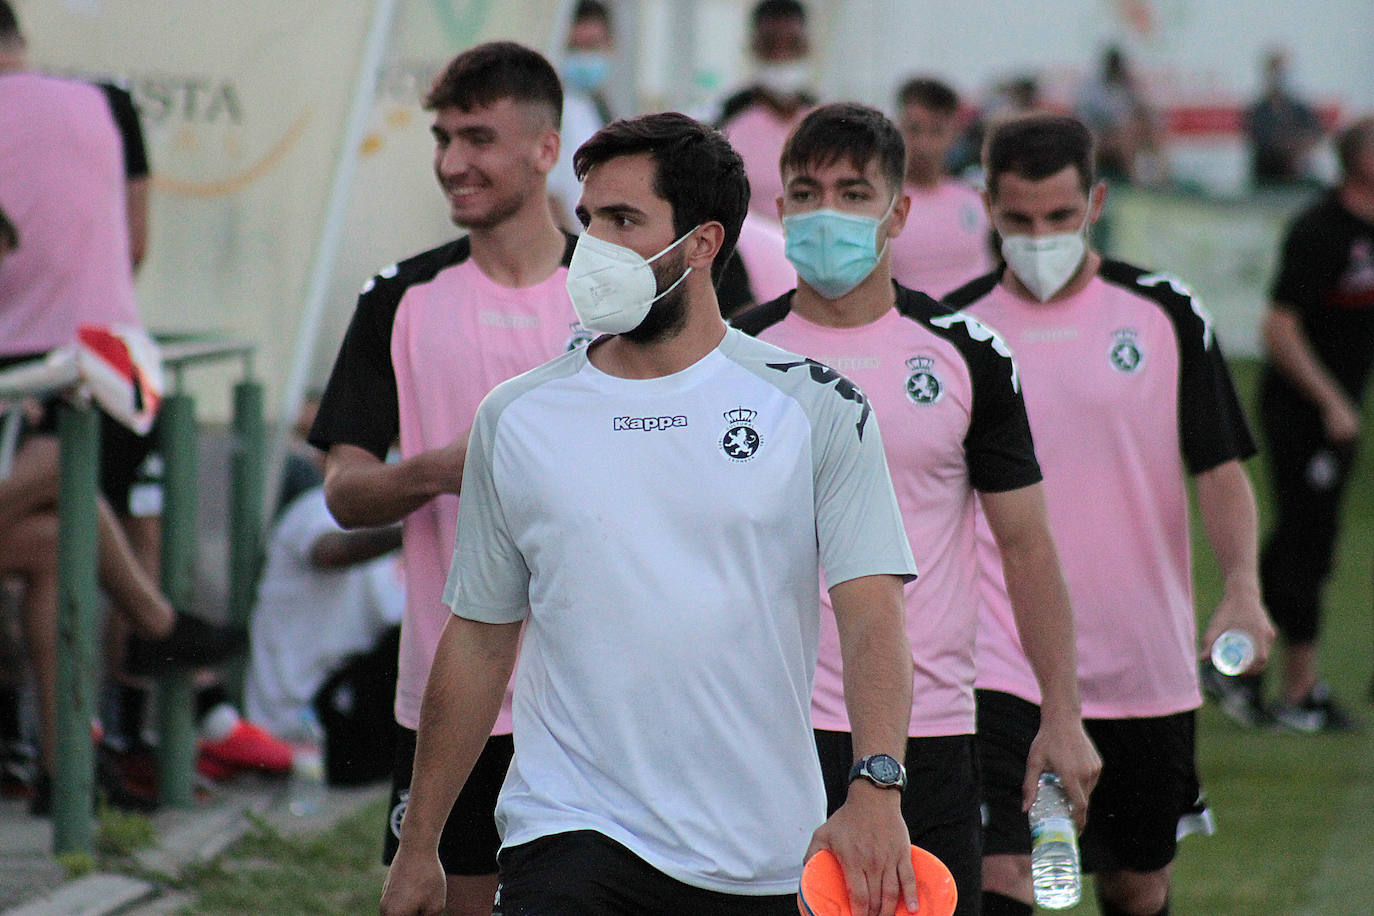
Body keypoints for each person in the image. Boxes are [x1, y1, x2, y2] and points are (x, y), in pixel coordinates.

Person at [381, 112, 920, 916]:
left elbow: (872, 614)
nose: (593, 244)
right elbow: (480, 637)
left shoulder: (813, 406)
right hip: (566, 829)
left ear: (701, 244)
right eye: (589, 217)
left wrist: (877, 785)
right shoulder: (519, 416)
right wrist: (418, 842)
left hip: (759, 850)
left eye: (625, 220)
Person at [732, 101, 1099, 916]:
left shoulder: (967, 354)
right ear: (780, 208)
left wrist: (1062, 714)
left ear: (898, 211)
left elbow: (1028, 546)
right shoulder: (729, 359)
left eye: (854, 193)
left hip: (923, 731)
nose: (828, 213)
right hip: (758, 729)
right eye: (806, 191)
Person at [944, 113, 1275, 916]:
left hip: (1138, 662)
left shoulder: (1164, 314)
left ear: (1094, 202)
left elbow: (1220, 468)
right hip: (996, 663)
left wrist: (1242, 587)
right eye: (1019, 218)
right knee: (1003, 874)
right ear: (989, 205)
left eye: (1058, 217)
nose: (1039, 235)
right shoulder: (952, 330)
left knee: (1135, 883)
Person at [309, 42, 579, 916]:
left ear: (545, 148)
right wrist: (439, 471)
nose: (452, 163)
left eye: (478, 138)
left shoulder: (619, 297)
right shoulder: (401, 298)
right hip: (447, 695)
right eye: (442, 138)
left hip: (595, 698)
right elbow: (345, 491)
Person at [0, 0, 242, 813]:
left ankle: (74, 761)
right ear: (20, 40)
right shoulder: (105, 102)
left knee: (68, 524)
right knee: (78, 517)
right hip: (108, 364)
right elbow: (135, 245)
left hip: (35, 379)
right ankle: (132, 678)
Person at [1208, 117, 1374, 732]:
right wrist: (1331, 400)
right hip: (1304, 411)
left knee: (1311, 541)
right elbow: (1278, 330)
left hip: (1341, 414)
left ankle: (1246, 671)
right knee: (1305, 544)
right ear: (1357, 160)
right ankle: (1286, 686)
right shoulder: (1321, 229)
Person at [888, 77, 994, 297]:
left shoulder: (974, 201)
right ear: (897, 129)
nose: (923, 144)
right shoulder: (881, 205)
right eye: (914, 130)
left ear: (953, 134)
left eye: (936, 131)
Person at [717, 0, 817, 218]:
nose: (781, 56)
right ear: (753, 47)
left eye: (792, 45)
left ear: (807, 47)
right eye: (770, 45)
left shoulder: (824, 123)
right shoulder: (723, 123)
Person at [547, 0, 616, 231]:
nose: (585, 57)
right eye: (576, 48)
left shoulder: (597, 107)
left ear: (610, 45)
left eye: (593, 46)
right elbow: (550, 193)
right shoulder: (556, 110)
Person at [1074, 46, 1164, 185]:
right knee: (1098, 136)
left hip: (1121, 134)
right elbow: (1086, 114)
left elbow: (1142, 109)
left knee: (1144, 133)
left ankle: (1160, 182)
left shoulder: (1127, 85)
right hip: (1099, 132)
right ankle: (1089, 183)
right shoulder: (1092, 86)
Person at [1245, 49, 1324, 187]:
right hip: (1267, 180)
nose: (1282, 76)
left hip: (1301, 177)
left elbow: (1315, 134)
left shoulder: (1301, 109)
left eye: (1285, 71)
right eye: (1277, 71)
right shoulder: (1259, 111)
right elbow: (1261, 140)